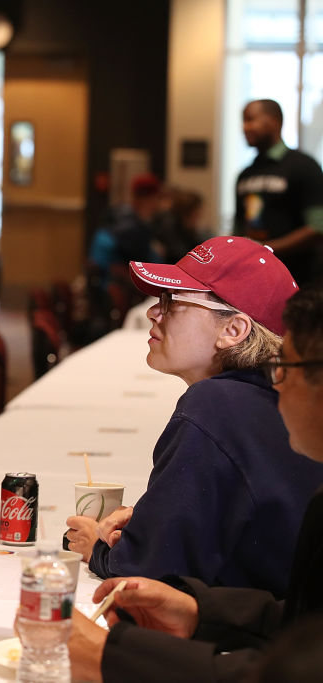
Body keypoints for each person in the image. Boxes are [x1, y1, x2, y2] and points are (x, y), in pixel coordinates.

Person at [67, 287, 323, 682]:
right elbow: (308, 623)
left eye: (288, 368)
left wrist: (118, 659)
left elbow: (301, 671)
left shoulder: (217, 403)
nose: (278, 385)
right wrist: (201, 611)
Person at [65, 237, 323, 597]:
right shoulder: (275, 401)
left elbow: (150, 573)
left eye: (172, 301)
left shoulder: (216, 404)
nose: (153, 313)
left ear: (232, 330)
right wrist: (153, 520)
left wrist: (98, 548)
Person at [235, 99, 323, 286]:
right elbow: (238, 228)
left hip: (298, 280)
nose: (245, 127)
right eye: (243, 121)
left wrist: (265, 249)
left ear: (275, 122)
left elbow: (317, 227)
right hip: (254, 278)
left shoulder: (304, 166)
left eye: (251, 120)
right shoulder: (245, 174)